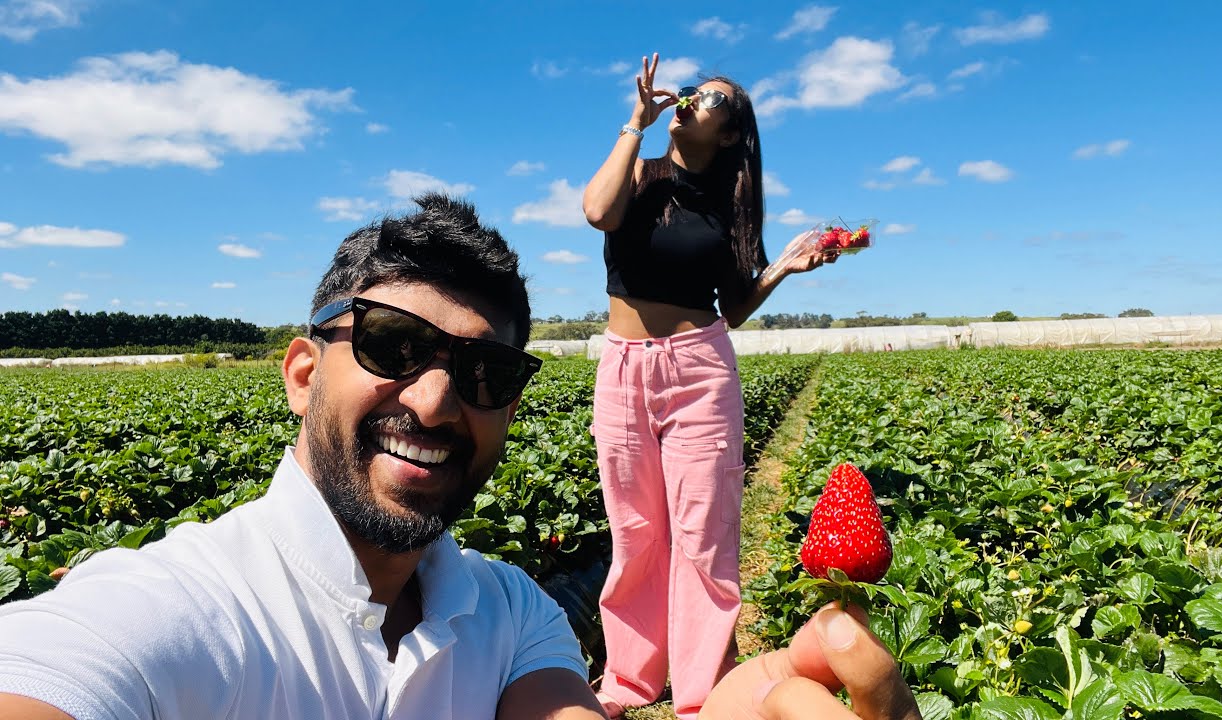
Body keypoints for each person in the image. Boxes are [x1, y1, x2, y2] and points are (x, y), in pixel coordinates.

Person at [0, 193, 917, 720]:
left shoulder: (515, 615)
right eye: (393, 345)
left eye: (484, 370)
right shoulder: (173, 609)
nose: (437, 401)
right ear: (301, 371)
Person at [581, 53, 839, 719]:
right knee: (635, 531)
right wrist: (634, 123)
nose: (692, 98)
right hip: (624, 368)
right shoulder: (639, 174)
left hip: (699, 370)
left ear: (729, 134)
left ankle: (700, 695)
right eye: (691, 90)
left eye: (711, 98)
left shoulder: (729, 210)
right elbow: (595, 211)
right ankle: (629, 683)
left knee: (704, 535)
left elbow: (732, 305)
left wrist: (780, 267)